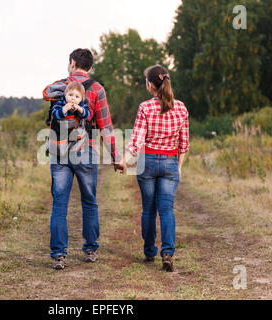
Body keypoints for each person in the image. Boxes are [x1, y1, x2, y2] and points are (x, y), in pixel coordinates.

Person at [45, 48, 126, 270]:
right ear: (90, 67)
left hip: (60, 151)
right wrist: (116, 157)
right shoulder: (97, 89)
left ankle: (59, 255)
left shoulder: (59, 87)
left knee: (59, 202)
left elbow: (52, 119)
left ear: (72, 63)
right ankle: (90, 249)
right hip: (85, 150)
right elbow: (105, 126)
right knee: (89, 201)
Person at [123, 64, 189, 272]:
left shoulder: (145, 107)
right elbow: (184, 144)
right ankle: (168, 252)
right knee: (167, 209)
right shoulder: (181, 108)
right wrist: (178, 167)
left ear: (150, 85)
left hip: (148, 162)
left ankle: (150, 250)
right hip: (170, 162)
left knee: (149, 209)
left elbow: (136, 140)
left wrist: (124, 160)